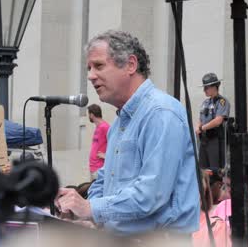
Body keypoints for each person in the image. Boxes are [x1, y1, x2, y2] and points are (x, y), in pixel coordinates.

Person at [55, 30, 199, 237]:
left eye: (99, 65)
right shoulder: (121, 122)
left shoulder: (161, 113)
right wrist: (84, 210)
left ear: (131, 65)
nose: (90, 76)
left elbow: (151, 195)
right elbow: (104, 181)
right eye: (89, 68)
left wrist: (90, 209)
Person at [196, 73, 230, 168]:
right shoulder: (205, 103)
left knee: (215, 168)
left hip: (215, 139)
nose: (204, 90)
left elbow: (218, 120)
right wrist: (198, 127)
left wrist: (202, 128)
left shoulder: (222, 102)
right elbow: (200, 118)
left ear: (214, 87)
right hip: (204, 139)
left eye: (206, 87)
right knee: (203, 167)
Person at [87, 104, 110, 181]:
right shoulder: (98, 127)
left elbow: (115, 143)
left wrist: (106, 156)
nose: (89, 116)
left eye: (89, 114)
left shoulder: (105, 127)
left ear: (92, 114)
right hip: (93, 167)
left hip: (99, 168)